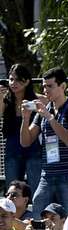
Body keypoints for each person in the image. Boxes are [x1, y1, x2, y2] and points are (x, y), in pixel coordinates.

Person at [19, 67, 68, 218]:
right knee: (38, 211)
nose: (45, 90)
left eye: (50, 86)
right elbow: (26, 141)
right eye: (43, 86)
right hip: (48, 174)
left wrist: (50, 118)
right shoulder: (44, 111)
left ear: (62, 87)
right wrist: (25, 117)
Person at [0, 64, 42, 192]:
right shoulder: (6, 100)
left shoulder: (37, 100)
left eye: (18, 80)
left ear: (27, 81)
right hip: (12, 149)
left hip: (34, 149)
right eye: (11, 79)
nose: (14, 83)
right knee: (12, 191)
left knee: (36, 190)